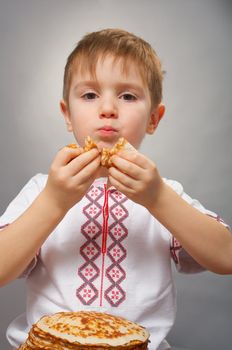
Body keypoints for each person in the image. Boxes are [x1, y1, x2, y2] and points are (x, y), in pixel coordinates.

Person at [0, 28, 231, 350]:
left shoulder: (164, 193)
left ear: (154, 118)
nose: (108, 108)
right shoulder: (42, 189)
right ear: (67, 114)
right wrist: (53, 202)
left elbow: (226, 257)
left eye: (127, 96)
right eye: (90, 95)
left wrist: (158, 199)